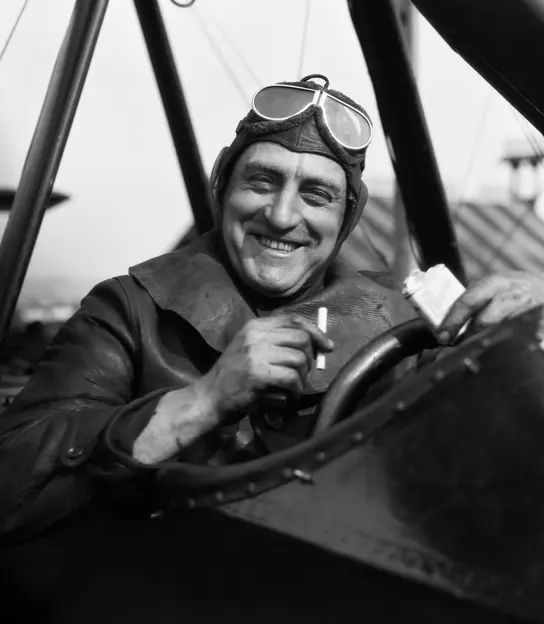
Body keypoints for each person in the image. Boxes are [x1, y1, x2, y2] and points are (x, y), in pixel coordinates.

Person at [0, 73, 543, 545]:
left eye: (316, 195)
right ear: (223, 191)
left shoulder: (406, 319)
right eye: (262, 181)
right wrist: (200, 403)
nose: (283, 216)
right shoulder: (129, 310)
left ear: (345, 217)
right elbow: (13, 485)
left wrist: (531, 336)